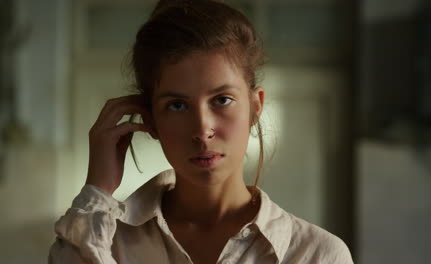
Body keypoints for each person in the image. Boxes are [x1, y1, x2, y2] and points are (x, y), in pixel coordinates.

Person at [48, 0, 354, 263]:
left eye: (222, 100)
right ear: (150, 118)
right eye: (178, 105)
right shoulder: (104, 238)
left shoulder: (317, 254)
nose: (202, 129)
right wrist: (97, 191)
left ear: (255, 106)